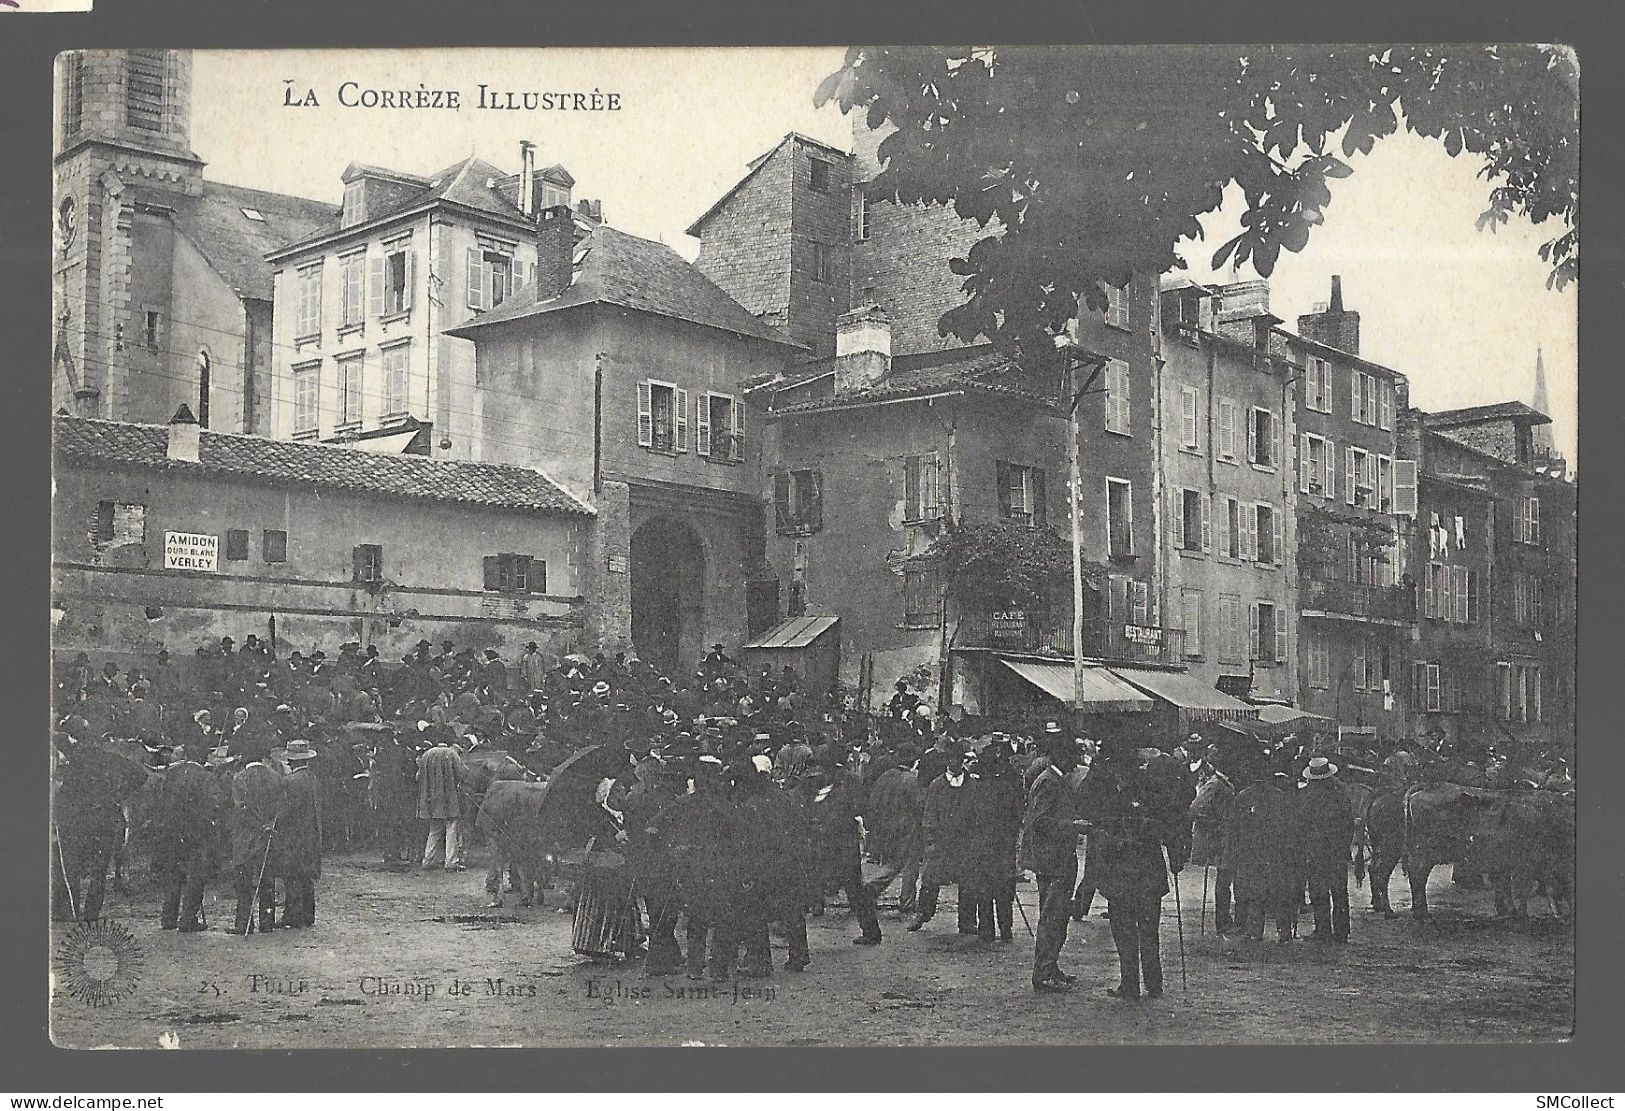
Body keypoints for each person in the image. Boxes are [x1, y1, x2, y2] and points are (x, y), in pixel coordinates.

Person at [1078, 739, 1190, 1001]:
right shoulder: (1151, 792)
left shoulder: (1108, 796)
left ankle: (1130, 984)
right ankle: (1153, 983)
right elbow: (1171, 825)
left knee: (1126, 932)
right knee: (1148, 931)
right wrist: (1176, 855)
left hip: (1122, 873)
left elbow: (1095, 825)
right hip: (1148, 873)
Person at [1019, 728, 1089, 992]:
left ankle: (1051, 966)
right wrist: (1074, 826)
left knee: (1056, 916)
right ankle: (1044, 971)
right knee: (1053, 917)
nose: (1076, 760)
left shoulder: (1054, 779)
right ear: (1061, 755)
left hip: (1054, 858)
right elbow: (1040, 822)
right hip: (1053, 860)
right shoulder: (1049, 781)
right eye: (1073, 754)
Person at [801, 745, 883, 946]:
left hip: (839, 842)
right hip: (833, 842)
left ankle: (871, 932)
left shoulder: (844, 782)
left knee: (851, 888)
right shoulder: (825, 781)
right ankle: (871, 931)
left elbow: (859, 807)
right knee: (851, 888)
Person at [149, 744, 224, 932]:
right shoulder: (206, 777)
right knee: (196, 875)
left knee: (174, 874)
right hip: (197, 833)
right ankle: (188, 919)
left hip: (172, 832)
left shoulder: (172, 775)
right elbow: (216, 803)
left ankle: (168, 918)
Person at [1228, 756, 1301, 941]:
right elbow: (1290, 829)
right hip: (1275, 853)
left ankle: (1255, 932)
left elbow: (1233, 829)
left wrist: (1234, 852)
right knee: (1279, 894)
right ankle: (1284, 933)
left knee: (1255, 894)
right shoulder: (1280, 797)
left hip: (1252, 854)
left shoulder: (1243, 797)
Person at [908, 740, 976, 933]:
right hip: (941, 842)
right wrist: (931, 838)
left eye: (959, 759)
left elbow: (975, 813)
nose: (956, 763)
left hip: (964, 842)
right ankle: (923, 914)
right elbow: (929, 814)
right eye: (952, 759)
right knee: (930, 880)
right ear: (947, 761)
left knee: (968, 883)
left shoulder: (971, 784)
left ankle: (967, 922)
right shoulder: (937, 785)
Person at [964, 737, 1025, 942]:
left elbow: (969, 818)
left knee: (987, 890)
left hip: (985, 845)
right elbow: (1017, 815)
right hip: (1000, 845)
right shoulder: (1007, 785)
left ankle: (988, 930)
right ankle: (1004, 929)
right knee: (1003, 890)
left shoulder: (975, 787)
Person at [1296, 757, 1355, 943]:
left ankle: (1323, 930)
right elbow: (1349, 823)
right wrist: (1345, 846)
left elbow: (1301, 825)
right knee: (1339, 891)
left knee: (1318, 891)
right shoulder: (1341, 794)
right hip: (1337, 850)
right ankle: (1342, 931)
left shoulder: (1307, 796)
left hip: (1316, 851)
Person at [227, 756, 284, 935]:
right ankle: (267, 923)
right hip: (269, 835)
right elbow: (281, 806)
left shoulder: (240, 778)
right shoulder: (276, 777)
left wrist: (258, 826)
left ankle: (244, 923)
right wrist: (268, 825)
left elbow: (241, 809)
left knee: (243, 881)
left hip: (246, 837)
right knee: (267, 879)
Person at [274, 739, 323, 928]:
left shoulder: (290, 782)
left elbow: (285, 811)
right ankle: (308, 914)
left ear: (291, 761)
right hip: (311, 833)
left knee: (291, 875)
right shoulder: (313, 779)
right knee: (306, 875)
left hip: (293, 835)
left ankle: (292, 916)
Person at [1188, 759, 1240, 934]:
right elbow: (1195, 808)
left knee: (1226, 877)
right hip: (1223, 835)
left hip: (1228, 833)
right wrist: (1212, 823)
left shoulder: (1221, 782)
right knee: (1224, 878)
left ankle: (1225, 920)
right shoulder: (1215, 783)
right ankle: (1222, 921)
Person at [417, 727, 468, 871]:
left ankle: (427, 860)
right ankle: (451, 862)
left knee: (434, 829)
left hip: (431, 799)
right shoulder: (451, 753)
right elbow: (464, 773)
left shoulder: (427, 754)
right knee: (451, 827)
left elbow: (418, 776)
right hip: (449, 797)